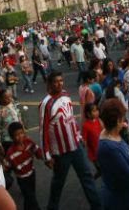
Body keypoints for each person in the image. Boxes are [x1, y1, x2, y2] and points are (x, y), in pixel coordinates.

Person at [39, 70, 102, 210]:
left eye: (61, 80)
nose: (59, 84)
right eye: (56, 81)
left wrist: (79, 136)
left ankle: (97, 206)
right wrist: (46, 155)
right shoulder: (46, 104)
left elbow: (71, 118)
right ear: (49, 84)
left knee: (86, 177)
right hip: (61, 151)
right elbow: (43, 131)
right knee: (58, 182)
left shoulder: (66, 95)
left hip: (76, 145)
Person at [97, 99, 129, 210]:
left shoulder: (112, 134)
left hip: (125, 198)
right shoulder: (109, 148)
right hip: (120, 202)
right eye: (122, 117)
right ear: (117, 121)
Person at [4, 121, 44, 210]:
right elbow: (6, 168)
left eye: (21, 133)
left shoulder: (28, 142)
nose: (20, 136)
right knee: (32, 199)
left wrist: (45, 158)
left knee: (29, 197)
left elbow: (38, 151)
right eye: (16, 135)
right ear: (12, 137)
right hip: (22, 179)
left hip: (32, 174)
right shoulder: (10, 153)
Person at [81, 102, 102, 179]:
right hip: (94, 152)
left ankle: (96, 176)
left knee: (102, 168)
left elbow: (101, 131)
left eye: (97, 110)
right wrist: (83, 143)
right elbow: (84, 139)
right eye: (94, 111)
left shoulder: (97, 120)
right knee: (101, 168)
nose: (97, 112)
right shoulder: (86, 125)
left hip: (101, 148)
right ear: (88, 114)